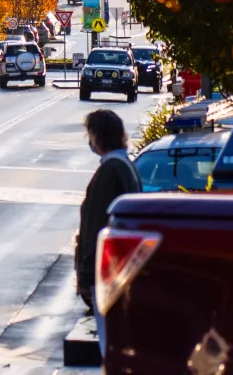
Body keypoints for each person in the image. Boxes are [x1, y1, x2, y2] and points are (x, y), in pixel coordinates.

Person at [76, 108, 141, 356]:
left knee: (109, 343)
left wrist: (85, 275)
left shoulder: (109, 171)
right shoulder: (127, 166)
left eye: (90, 135)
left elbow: (95, 227)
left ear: (97, 136)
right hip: (121, 267)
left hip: (107, 271)